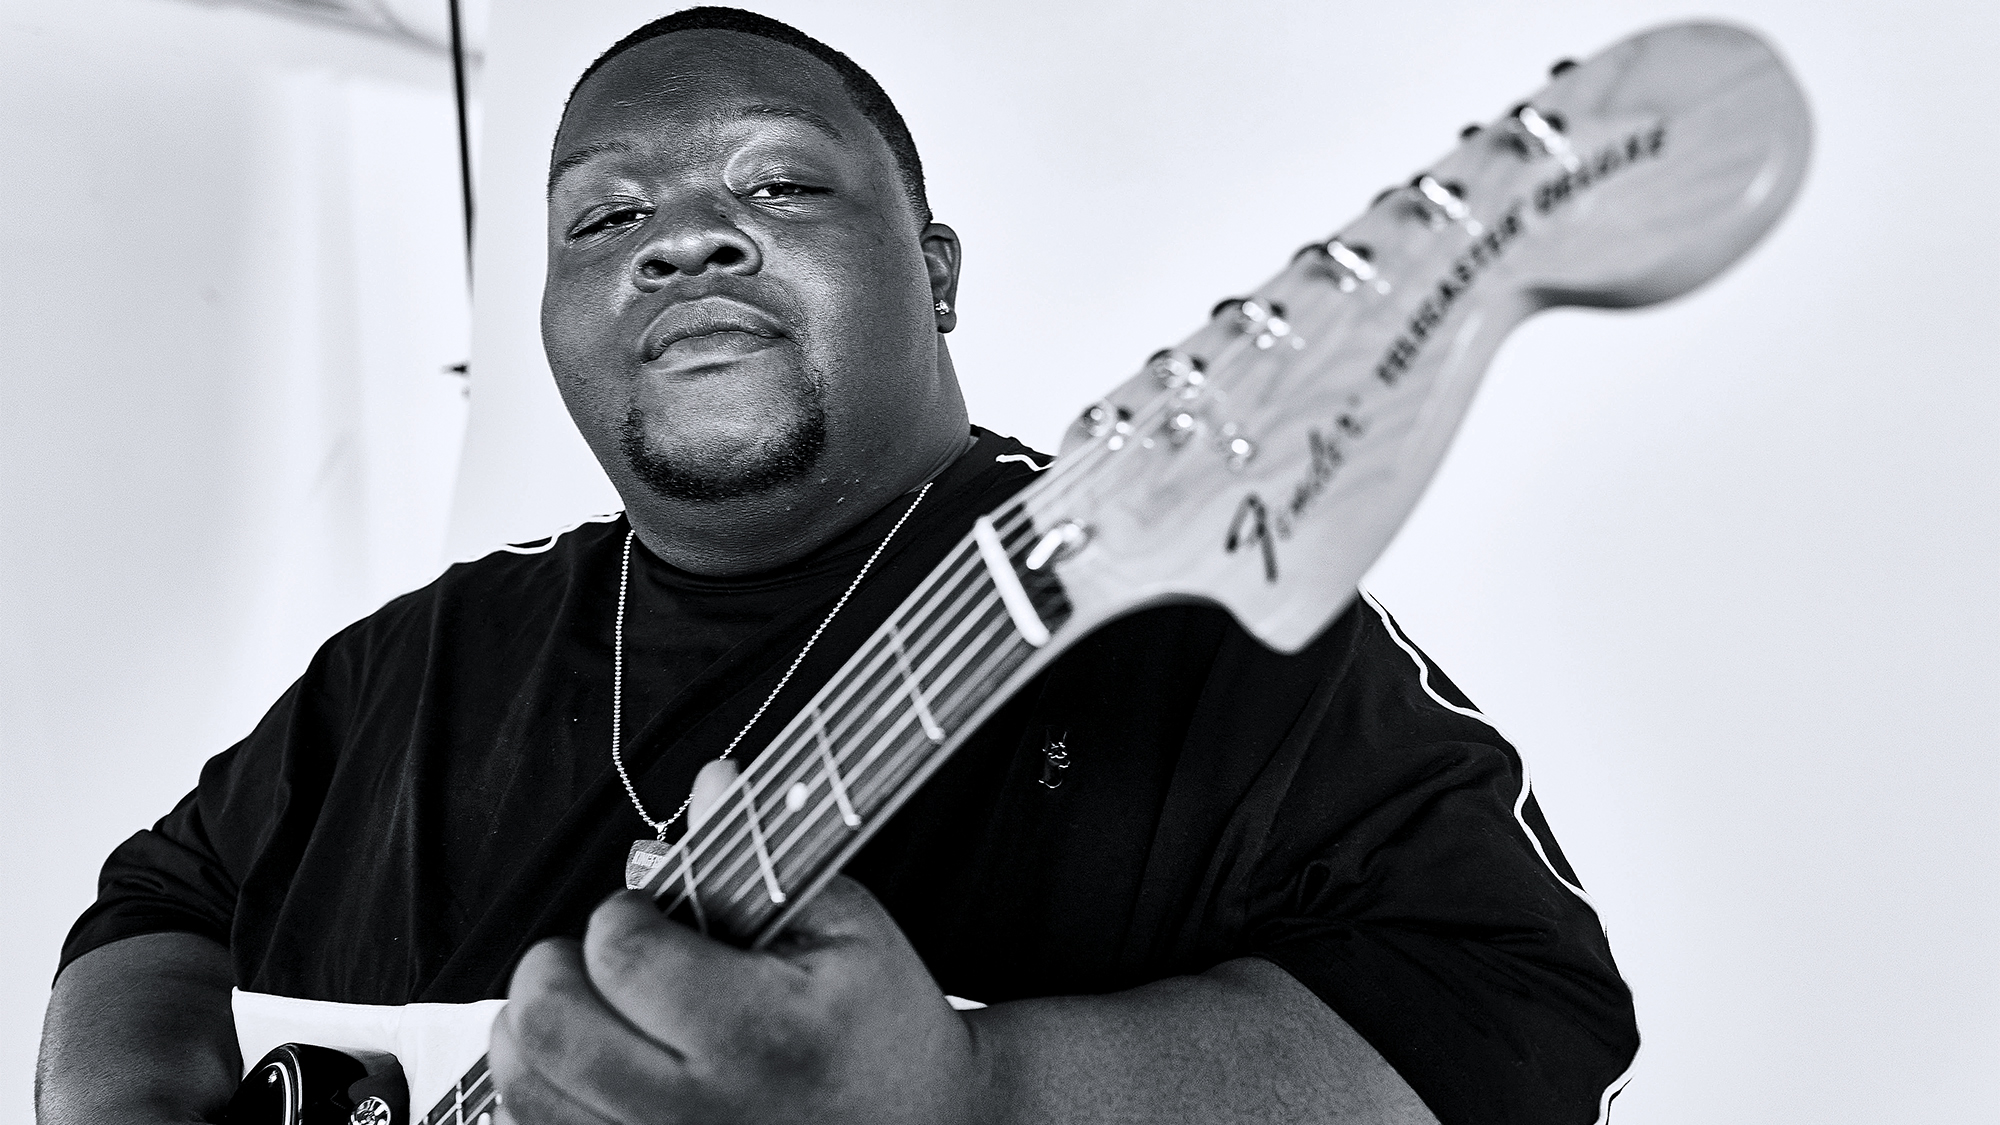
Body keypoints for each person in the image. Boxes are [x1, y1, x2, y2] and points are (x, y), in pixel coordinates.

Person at [37, 8, 1639, 1124]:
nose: (680, 237)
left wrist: (982, 1094)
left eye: (778, 183)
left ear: (935, 273)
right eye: (602, 220)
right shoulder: (424, 660)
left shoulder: (1185, 597)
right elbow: (155, 906)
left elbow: (1521, 1029)